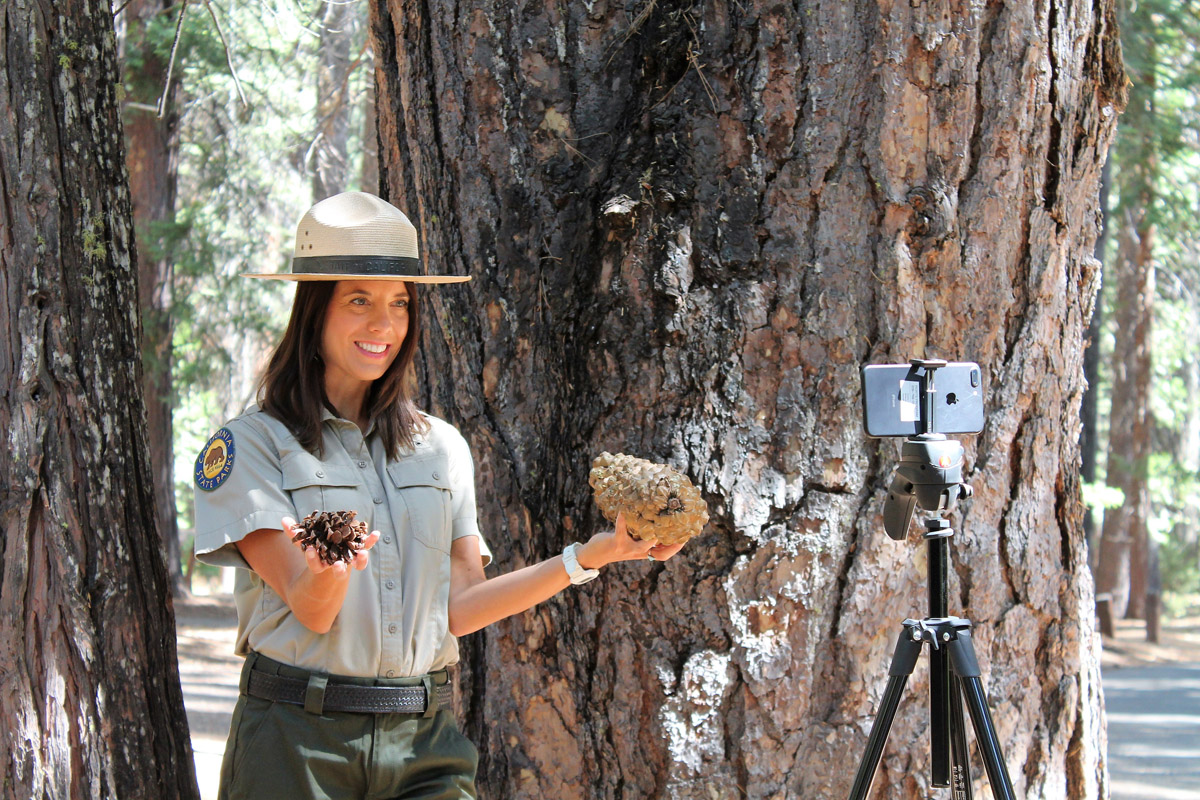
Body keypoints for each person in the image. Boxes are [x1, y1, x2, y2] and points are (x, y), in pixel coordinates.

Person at [192, 191, 686, 800]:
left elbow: (461, 607)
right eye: (359, 301)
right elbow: (312, 609)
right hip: (297, 741)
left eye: (400, 303)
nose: (384, 324)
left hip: (425, 739)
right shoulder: (250, 447)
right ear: (313, 311)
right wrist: (328, 571)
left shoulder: (441, 447)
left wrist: (591, 556)